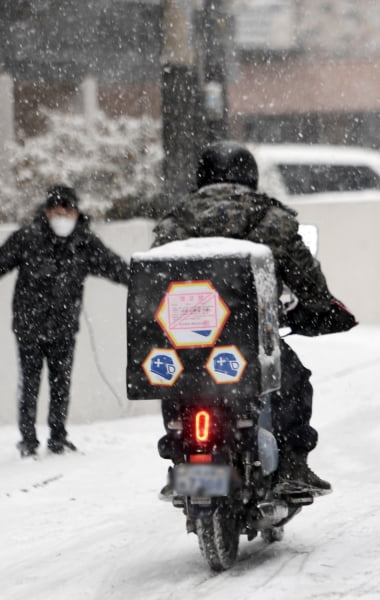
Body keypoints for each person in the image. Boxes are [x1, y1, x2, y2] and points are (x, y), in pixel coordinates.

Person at [152, 141, 357, 496]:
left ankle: (179, 454)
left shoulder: (175, 221)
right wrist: (323, 308)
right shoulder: (270, 219)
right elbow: (306, 280)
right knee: (292, 381)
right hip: (250, 340)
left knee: (180, 383)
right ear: (251, 175)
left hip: (189, 342)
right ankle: (293, 466)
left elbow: (157, 283)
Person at [0, 185, 130, 457]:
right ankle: (28, 439)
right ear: (46, 212)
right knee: (30, 383)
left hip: (63, 327)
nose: (62, 217)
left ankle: (58, 436)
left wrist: (141, 280)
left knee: (61, 384)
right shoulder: (27, 239)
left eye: (67, 212)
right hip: (29, 327)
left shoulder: (83, 243)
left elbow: (114, 267)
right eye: (57, 212)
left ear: (76, 212)